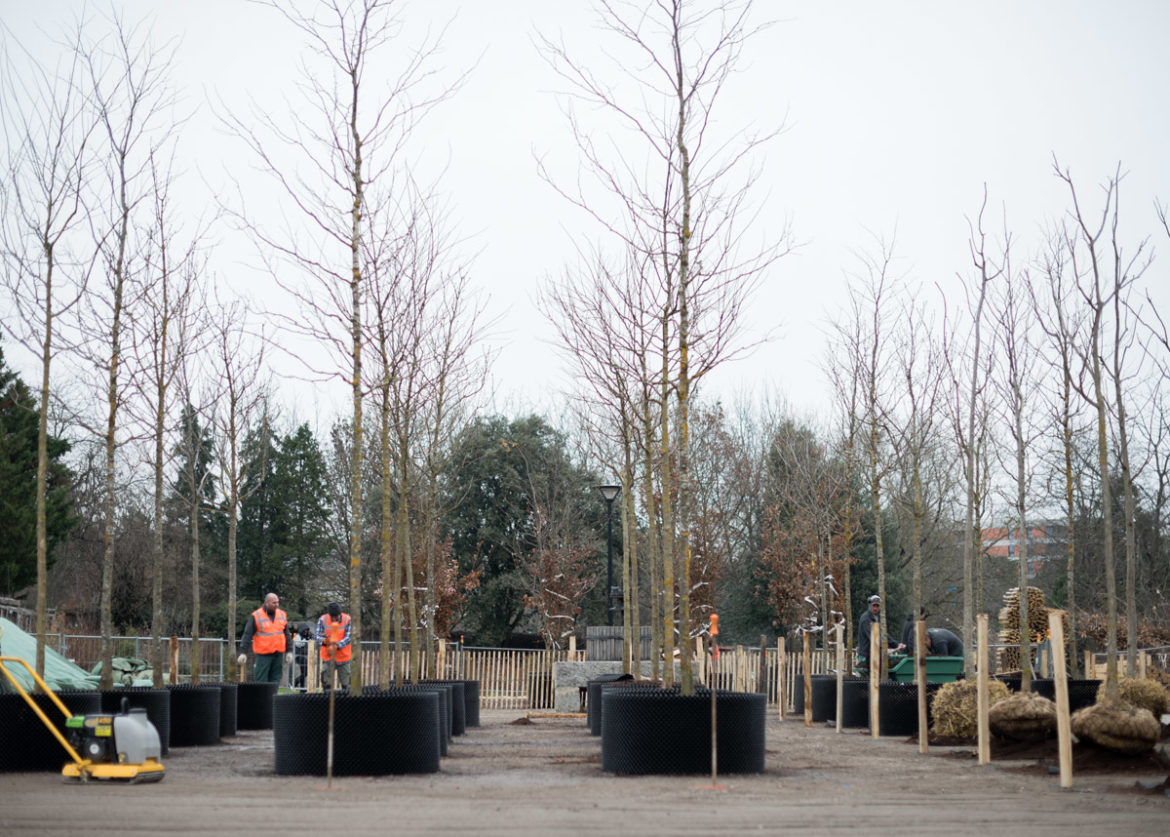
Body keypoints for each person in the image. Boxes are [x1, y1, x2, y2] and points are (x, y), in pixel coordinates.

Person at [237, 593, 294, 683]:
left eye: (277, 602)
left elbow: (286, 634)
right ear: (266, 603)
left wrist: (289, 651)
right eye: (274, 603)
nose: (276, 605)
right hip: (263, 656)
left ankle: (273, 697)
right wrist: (243, 652)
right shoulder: (256, 616)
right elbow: (247, 634)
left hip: (278, 655)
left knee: (275, 680)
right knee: (261, 681)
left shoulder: (282, 614)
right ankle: (261, 697)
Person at [316, 601, 352, 690]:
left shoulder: (347, 619)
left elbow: (349, 636)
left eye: (337, 616)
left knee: (346, 686)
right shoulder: (322, 619)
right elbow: (317, 636)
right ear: (329, 615)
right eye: (333, 617)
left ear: (340, 614)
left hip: (343, 658)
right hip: (328, 657)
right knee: (326, 685)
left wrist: (337, 646)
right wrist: (325, 642)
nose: (335, 618)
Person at [856, 594, 882, 668]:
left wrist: (895, 644)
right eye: (874, 606)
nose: (875, 608)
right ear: (870, 605)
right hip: (865, 654)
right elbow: (872, 637)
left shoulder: (879, 618)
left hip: (874, 653)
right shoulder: (865, 619)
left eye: (877, 606)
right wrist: (883, 646)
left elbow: (883, 634)